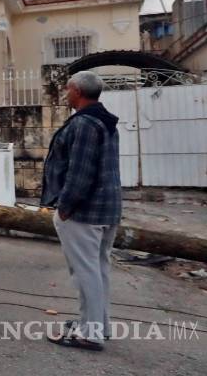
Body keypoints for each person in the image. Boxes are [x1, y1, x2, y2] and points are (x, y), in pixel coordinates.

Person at [41, 71, 121, 351]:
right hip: (106, 208)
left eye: (67, 89)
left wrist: (65, 207)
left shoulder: (85, 124)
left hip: (84, 212)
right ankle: (97, 324)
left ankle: (90, 334)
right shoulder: (105, 121)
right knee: (97, 269)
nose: (65, 94)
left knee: (85, 271)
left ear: (76, 91)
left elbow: (80, 172)